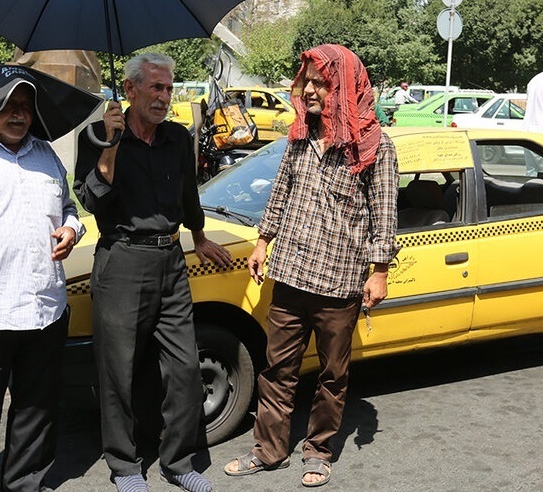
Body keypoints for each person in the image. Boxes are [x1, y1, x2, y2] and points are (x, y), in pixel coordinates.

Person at [223, 44, 399, 487]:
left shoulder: (374, 145)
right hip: (290, 274)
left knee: (332, 375)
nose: (310, 91)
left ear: (344, 87)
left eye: (321, 83)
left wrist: (379, 272)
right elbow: (280, 191)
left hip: (339, 281)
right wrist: (262, 242)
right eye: (307, 82)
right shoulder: (300, 135)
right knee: (277, 369)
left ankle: (318, 451)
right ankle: (269, 451)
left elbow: (384, 212)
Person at [73, 53, 233, 492]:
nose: (165, 97)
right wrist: (111, 144)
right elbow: (93, 200)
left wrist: (199, 236)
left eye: (169, 88)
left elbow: (187, 193)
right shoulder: (96, 136)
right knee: (118, 373)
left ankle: (177, 463)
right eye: (156, 88)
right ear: (130, 89)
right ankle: (125, 467)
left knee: (184, 369)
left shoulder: (177, 137)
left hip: (171, 261)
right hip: (122, 261)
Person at [1, 66, 86, 491]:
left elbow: (69, 208)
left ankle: (22, 484)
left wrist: (71, 229)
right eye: (9, 105)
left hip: (45, 308)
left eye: (25, 106)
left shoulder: (46, 155)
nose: (18, 113)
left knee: (35, 409)